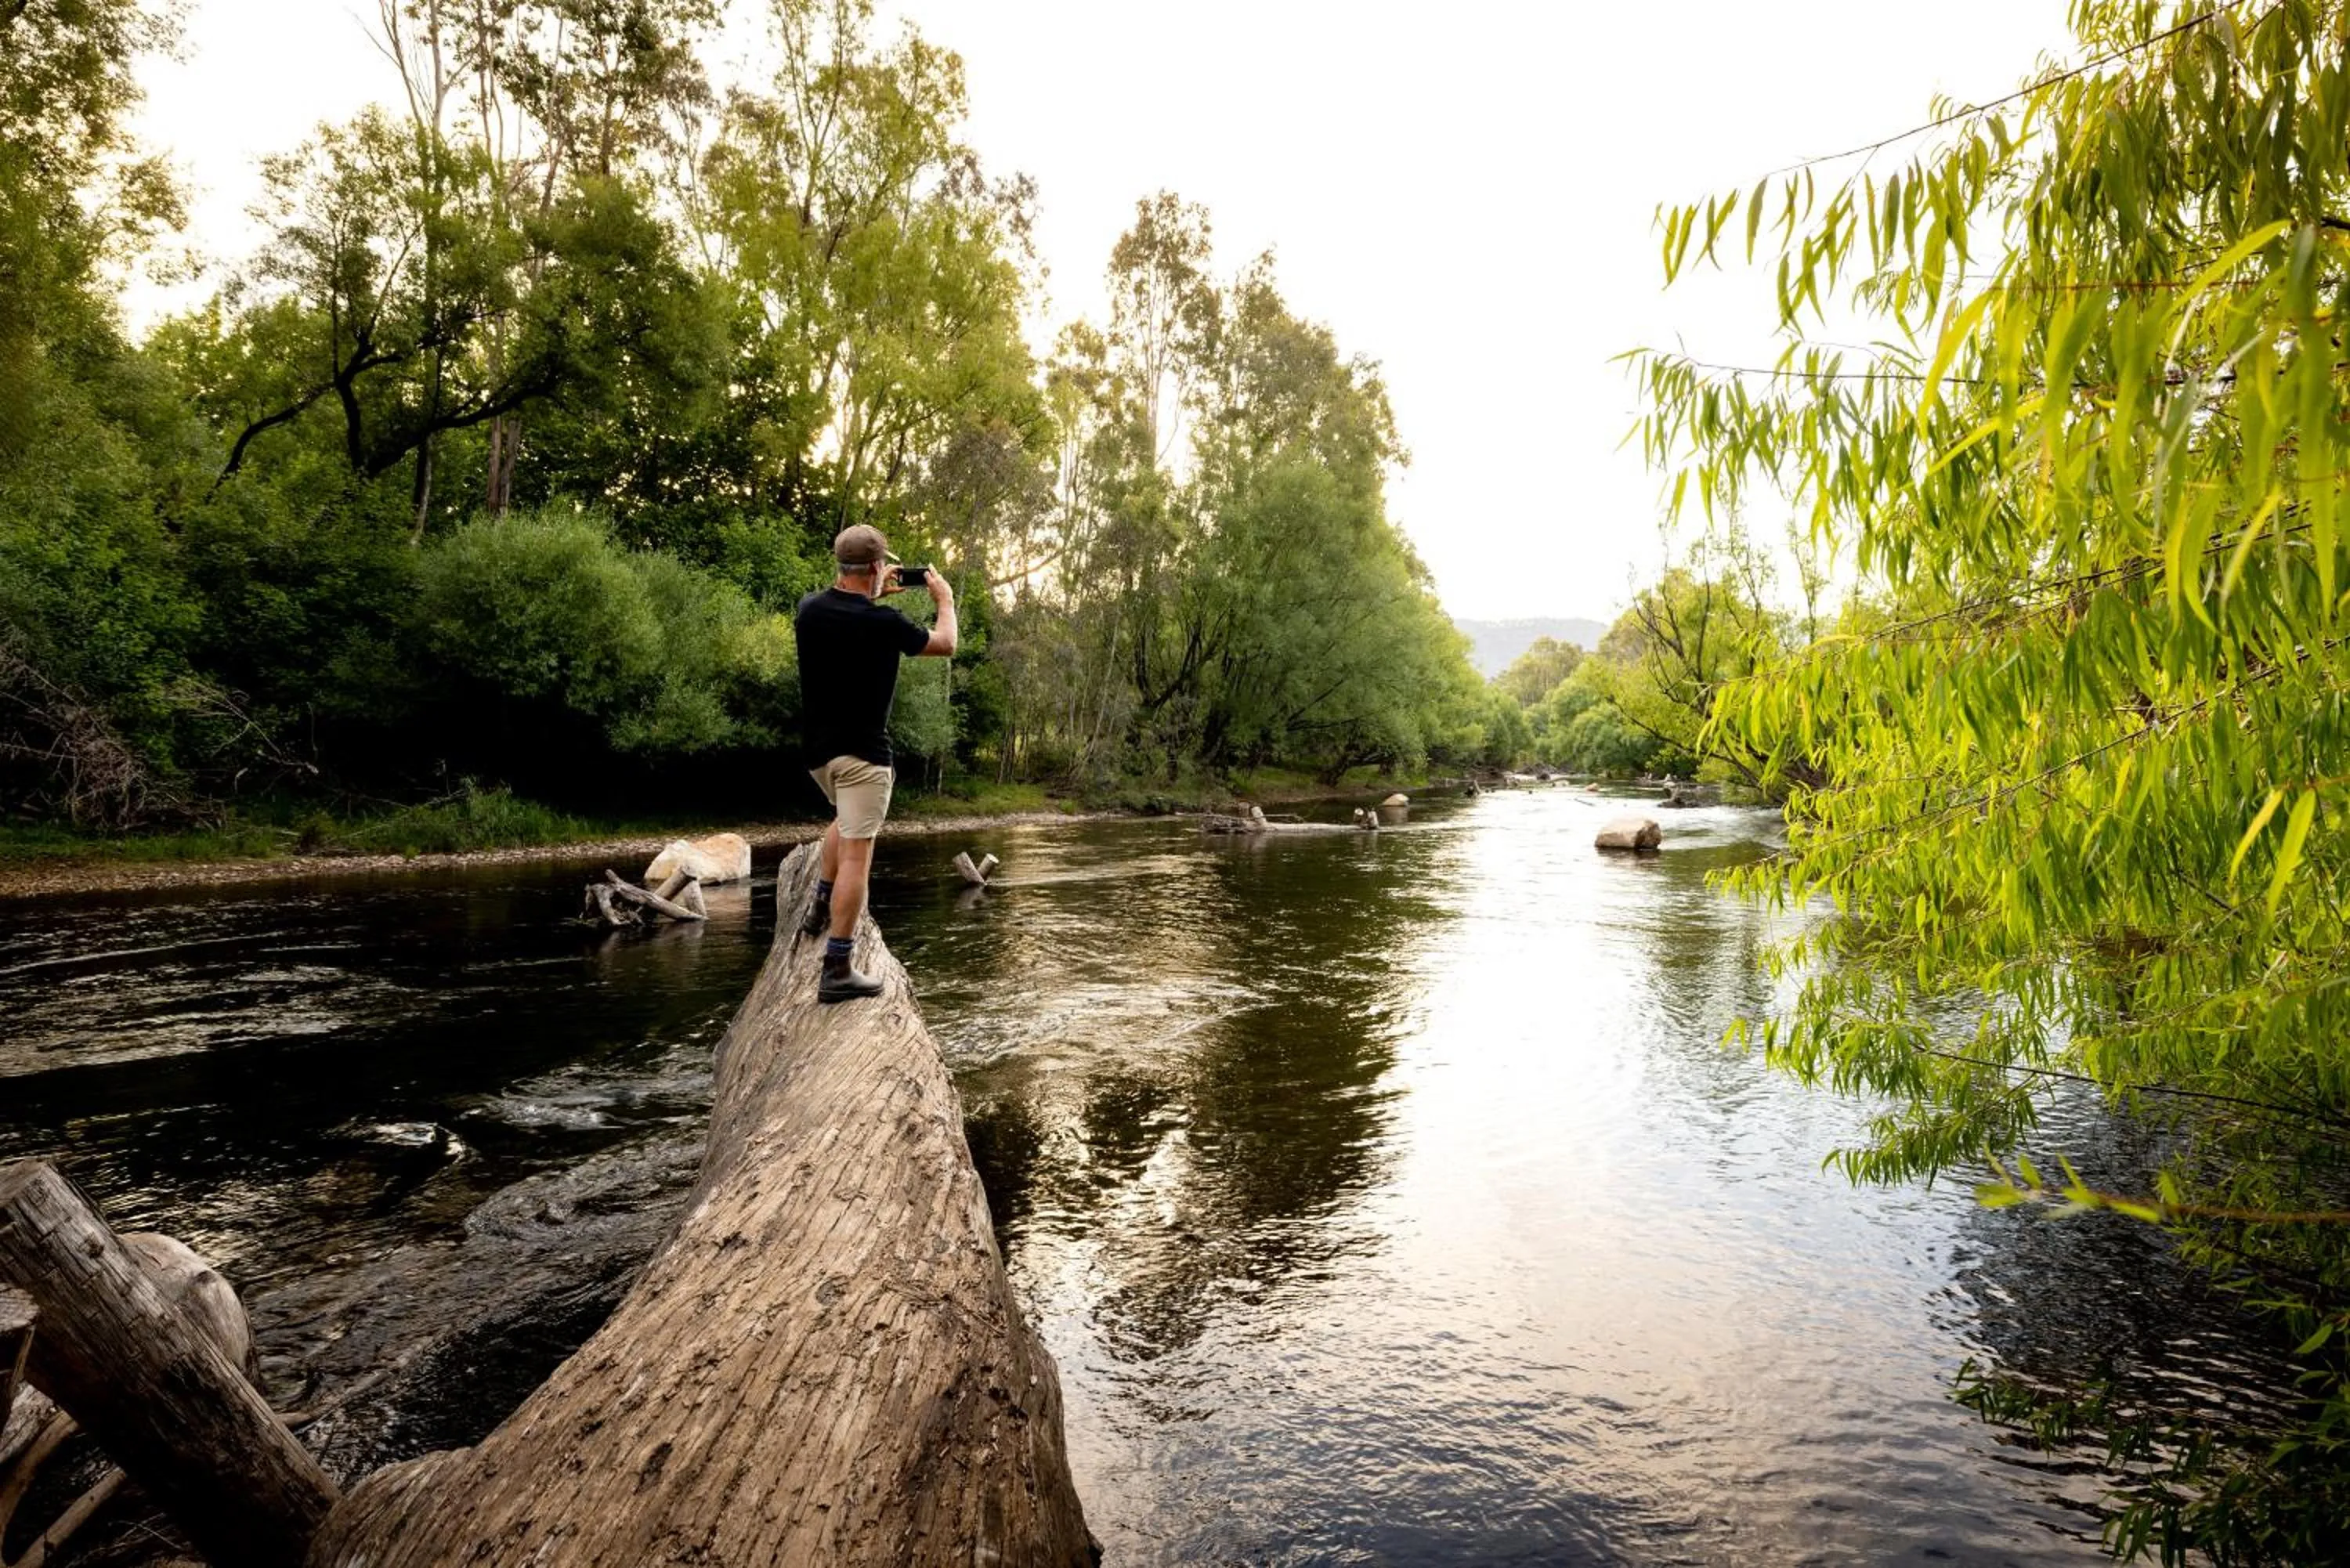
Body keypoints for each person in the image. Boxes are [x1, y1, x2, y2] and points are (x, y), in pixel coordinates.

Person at [793, 524, 956, 1002]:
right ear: (877, 568)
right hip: (864, 758)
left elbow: (847, 615)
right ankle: (838, 967)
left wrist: (871, 593)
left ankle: (818, 906)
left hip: (820, 757)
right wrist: (944, 599)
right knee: (857, 860)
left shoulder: (809, 610)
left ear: (840, 566)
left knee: (843, 822)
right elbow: (945, 643)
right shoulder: (884, 624)